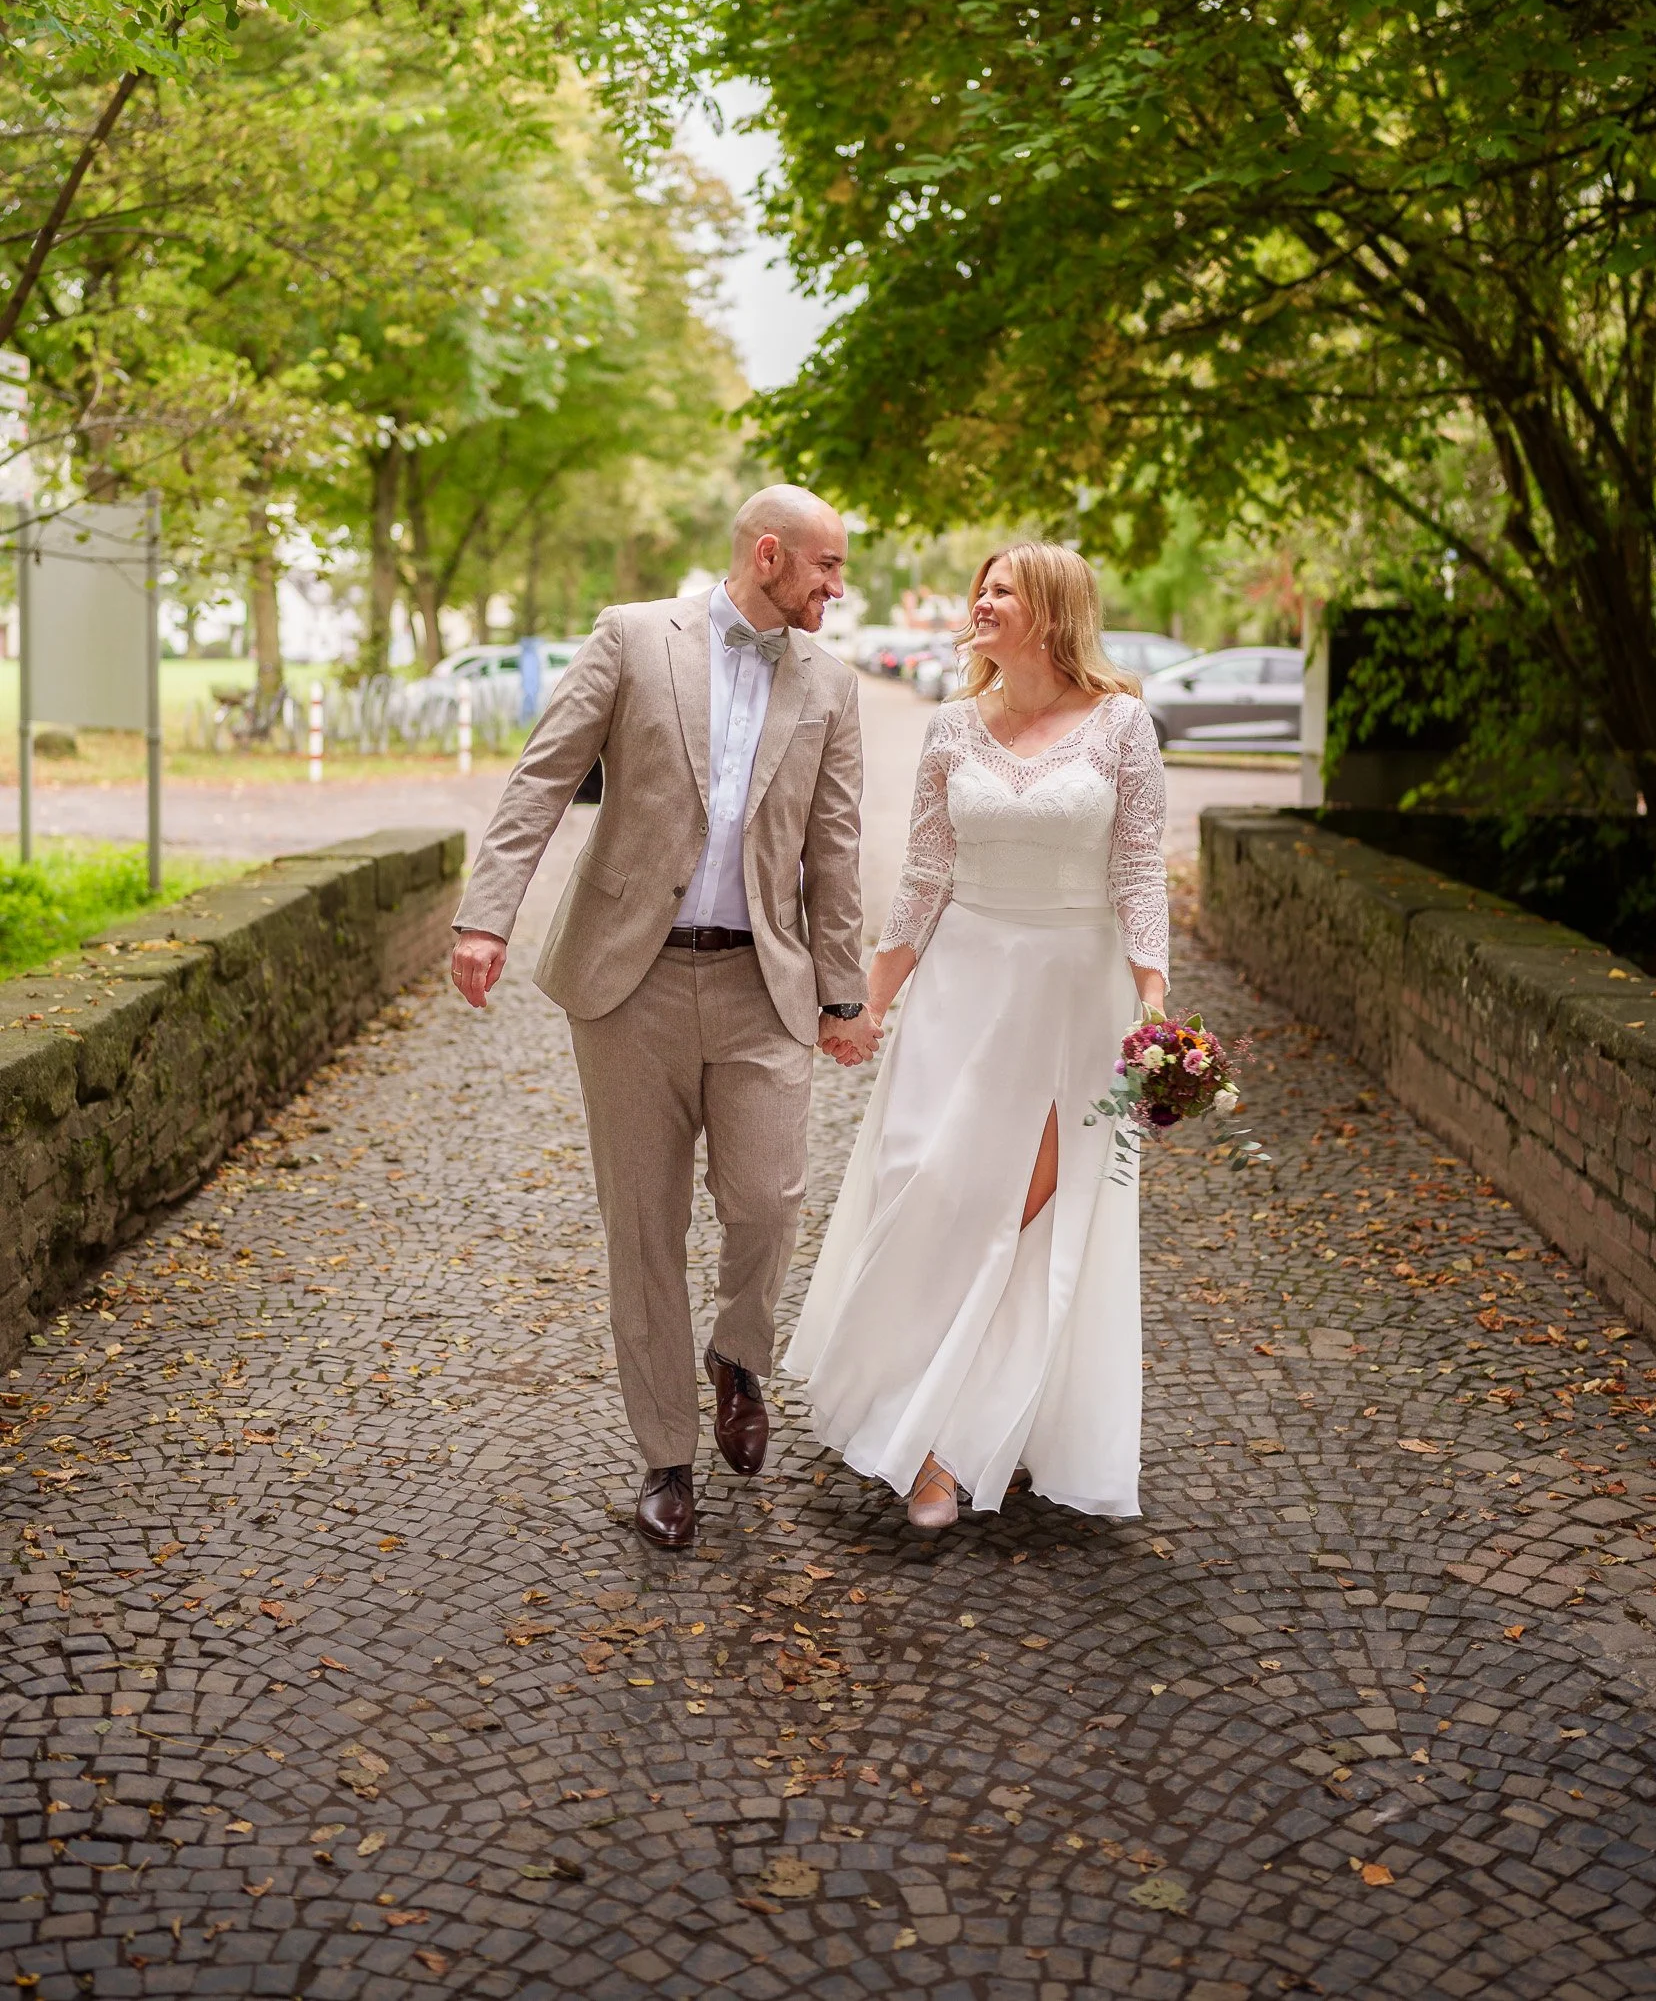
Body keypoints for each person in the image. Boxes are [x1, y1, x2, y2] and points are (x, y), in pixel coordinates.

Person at [450, 486, 879, 1550]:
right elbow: (540, 782)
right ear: (768, 554)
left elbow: (833, 849)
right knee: (642, 1225)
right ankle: (665, 1458)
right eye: (825, 565)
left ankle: (737, 1355)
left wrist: (841, 993)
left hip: (760, 986)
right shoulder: (633, 639)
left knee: (768, 1201)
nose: (837, 586)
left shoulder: (830, 683)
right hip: (627, 985)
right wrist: (485, 918)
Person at [787, 542, 1168, 1529]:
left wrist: (1154, 1006)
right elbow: (924, 875)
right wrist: (867, 1003)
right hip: (960, 986)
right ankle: (904, 1403)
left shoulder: (1121, 724)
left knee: (1028, 1218)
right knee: (931, 1192)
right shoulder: (952, 725)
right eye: (982, 588)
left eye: (1004, 589)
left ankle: (949, 1445)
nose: (983, 601)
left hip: (1074, 998)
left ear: (1053, 611)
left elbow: (1137, 870)